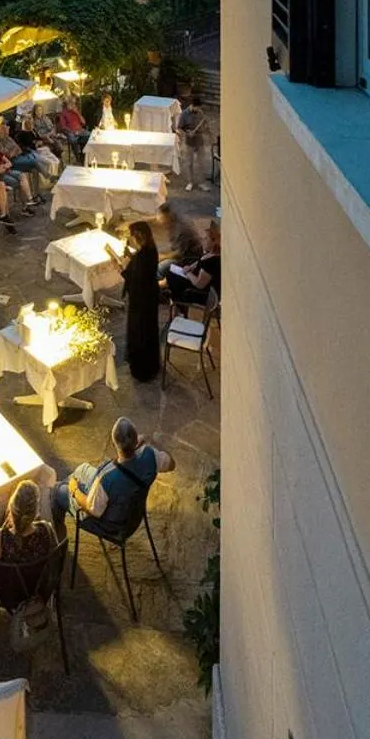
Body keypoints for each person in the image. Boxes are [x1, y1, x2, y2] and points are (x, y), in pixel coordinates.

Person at [52, 417, 175, 541]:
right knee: (83, 469)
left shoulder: (106, 478)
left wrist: (74, 490)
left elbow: (93, 510)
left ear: (113, 444)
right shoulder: (151, 455)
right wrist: (148, 444)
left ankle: (59, 537)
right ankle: (69, 483)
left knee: (58, 490)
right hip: (134, 515)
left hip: (113, 526)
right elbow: (171, 464)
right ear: (136, 439)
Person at [0, 479, 57, 611]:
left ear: (11, 507)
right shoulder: (47, 529)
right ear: (36, 511)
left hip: (8, 597)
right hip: (39, 593)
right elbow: (54, 558)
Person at [121, 220, 162, 382]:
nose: (129, 239)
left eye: (131, 236)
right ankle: (151, 365)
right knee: (149, 331)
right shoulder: (151, 250)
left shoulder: (142, 258)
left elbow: (136, 282)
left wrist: (123, 268)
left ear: (138, 237)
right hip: (150, 299)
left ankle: (141, 369)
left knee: (140, 333)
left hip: (140, 304)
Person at [168, 219, 221, 306]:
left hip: (201, 293)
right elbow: (200, 261)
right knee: (172, 273)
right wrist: (190, 267)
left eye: (205, 239)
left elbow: (199, 284)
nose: (202, 242)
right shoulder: (209, 253)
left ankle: (179, 307)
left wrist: (188, 273)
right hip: (194, 279)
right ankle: (176, 304)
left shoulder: (212, 261)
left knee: (174, 279)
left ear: (213, 241)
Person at [177, 95, 209, 190]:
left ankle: (202, 182)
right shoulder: (184, 114)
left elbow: (204, 125)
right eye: (197, 107)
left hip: (199, 139)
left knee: (201, 162)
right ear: (192, 105)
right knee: (189, 162)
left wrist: (205, 128)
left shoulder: (200, 113)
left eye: (199, 107)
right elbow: (179, 128)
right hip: (189, 140)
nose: (198, 109)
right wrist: (187, 132)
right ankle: (190, 182)